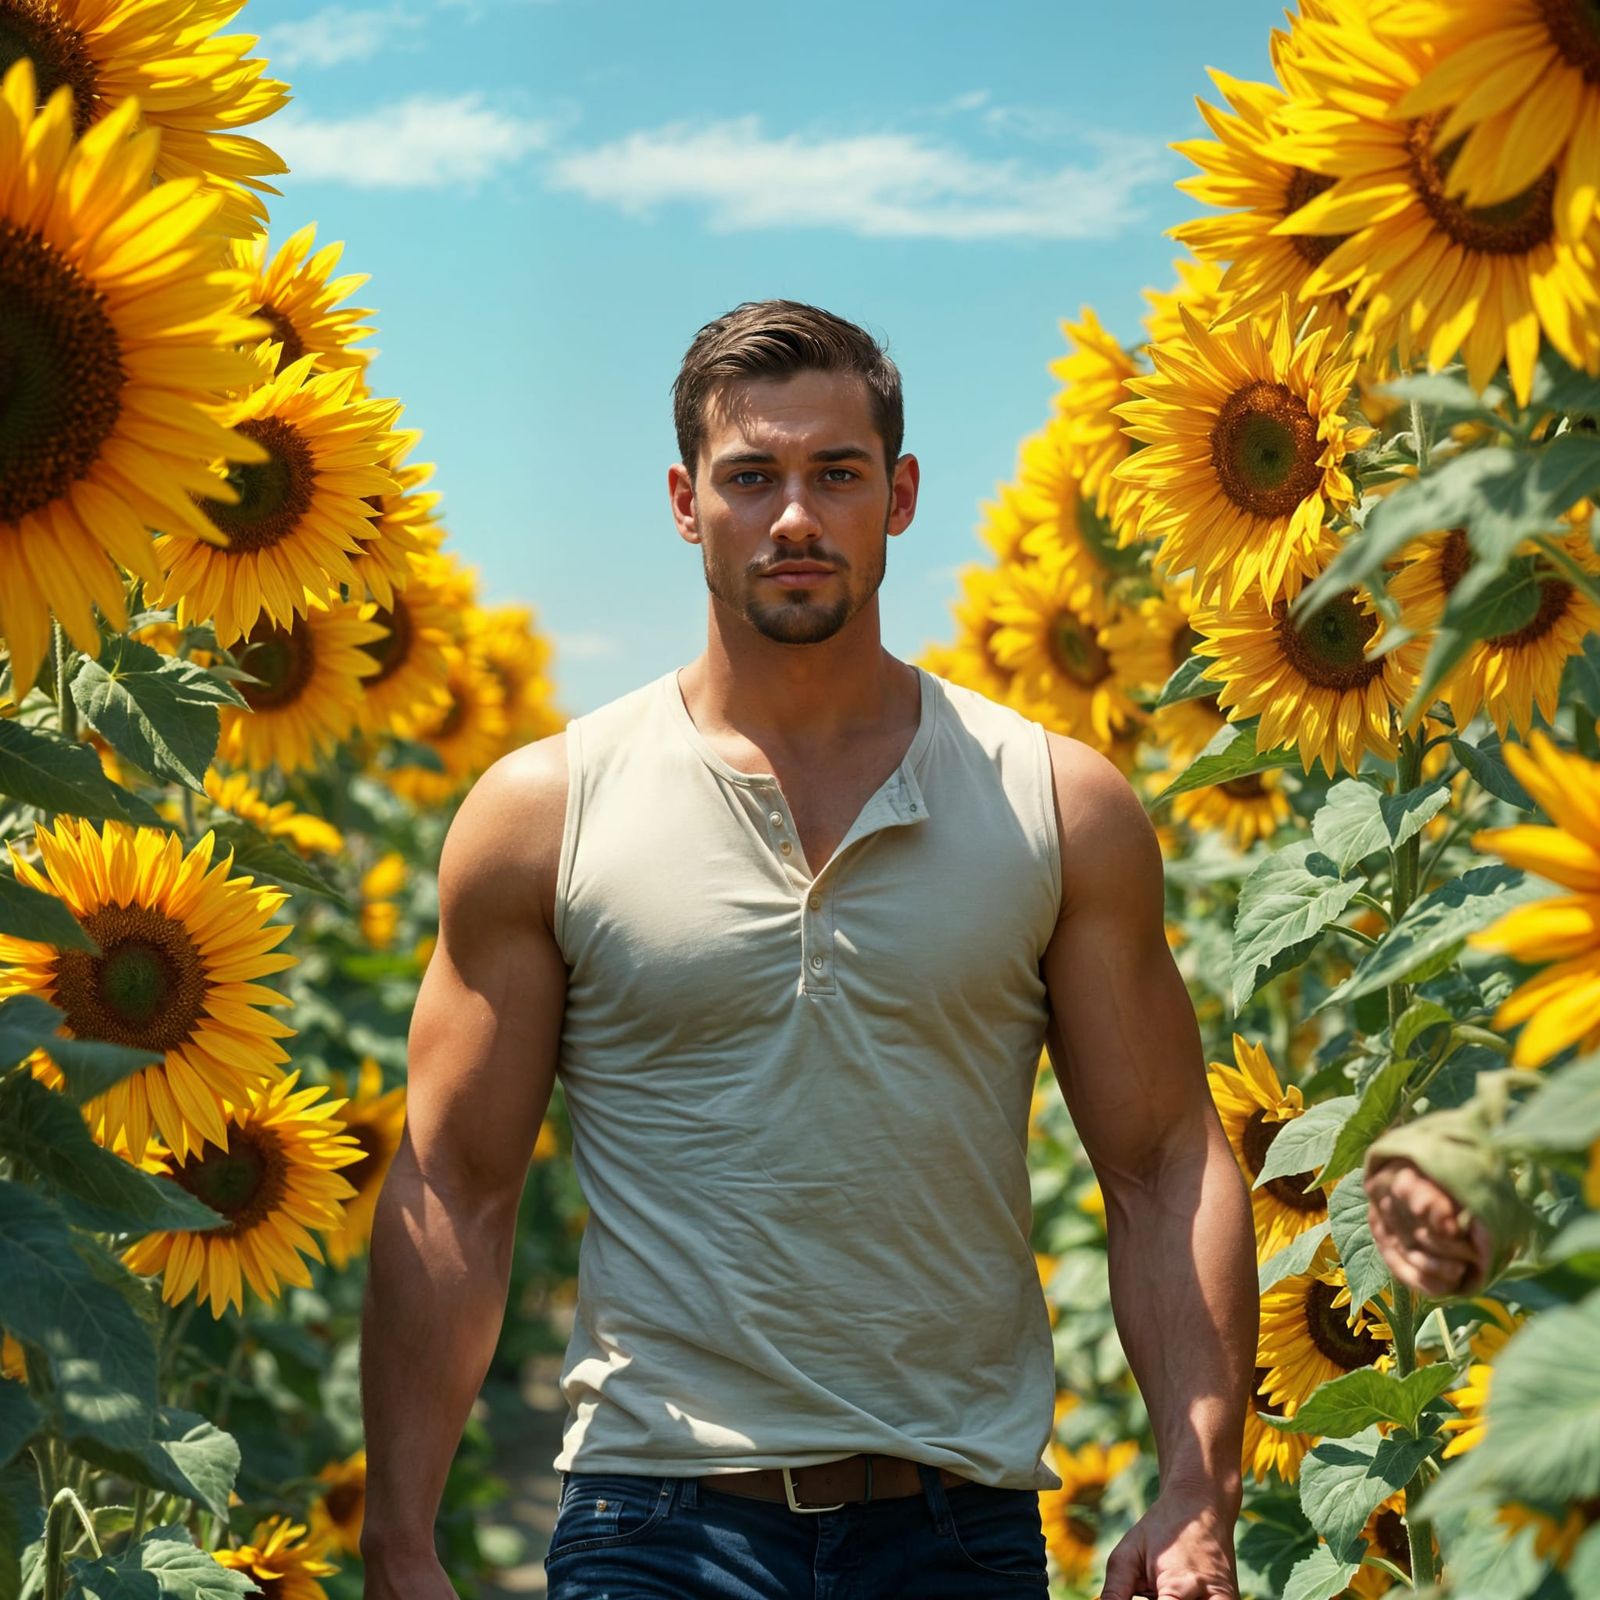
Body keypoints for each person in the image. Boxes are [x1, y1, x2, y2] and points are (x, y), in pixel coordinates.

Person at [358, 299, 1256, 1600]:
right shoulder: (549, 811)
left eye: (835, 475)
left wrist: (1197, 1486)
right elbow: (455, 1183)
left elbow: (1167, 1165)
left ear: (896, 497)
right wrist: (398, 1541)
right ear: (685, 501)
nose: (794, 517)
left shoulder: (1054, 804)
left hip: (958, 1523)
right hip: (658, 1521)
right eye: (751, 477)